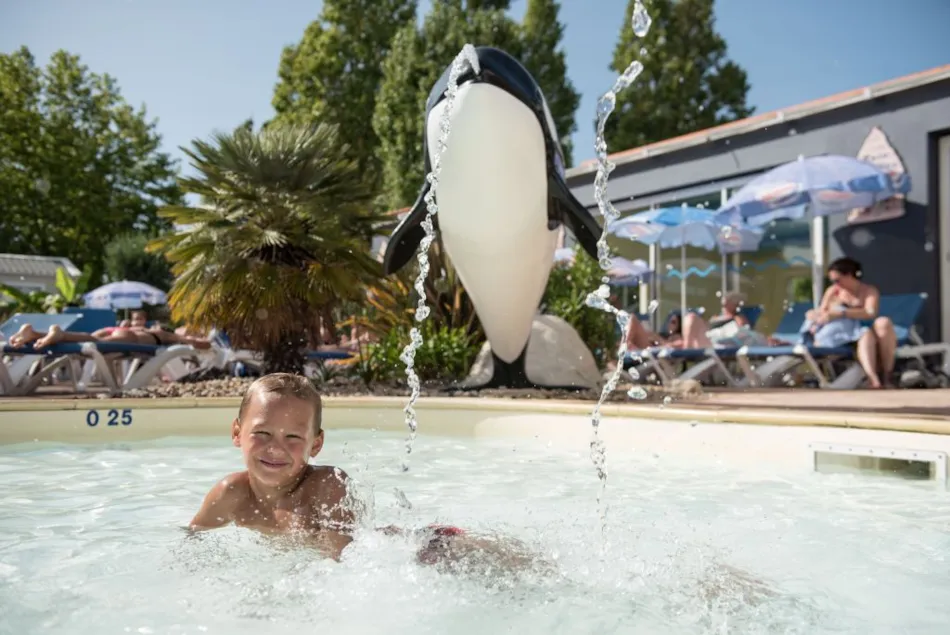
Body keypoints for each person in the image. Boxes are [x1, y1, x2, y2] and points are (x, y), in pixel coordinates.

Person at [188, 372, 534, 570]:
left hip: (424, 550)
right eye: (261, 433)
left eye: (293, 437)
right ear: (237, 433)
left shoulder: (325, 486)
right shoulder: (230, 494)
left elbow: (349, 564)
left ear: (316, 444)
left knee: (518, 569)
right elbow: (190, 541)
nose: (275, 447)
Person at [804, 257, 897, 388]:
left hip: (863, 327)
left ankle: (886, 376)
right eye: (832, 281)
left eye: (837, 280)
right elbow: (823, 312)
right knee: (865, 335)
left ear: (849, 275)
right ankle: (873, 378)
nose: (835, 284)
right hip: (843, 331)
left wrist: (842, 313)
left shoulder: (868, 291)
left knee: (882, 324)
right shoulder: (833, 291)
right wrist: (814, 314)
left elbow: (870, 313)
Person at [6, 309, 212, 350]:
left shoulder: (132, 325)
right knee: (96, 344)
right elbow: (194, 343)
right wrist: (203, 342)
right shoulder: (160, 333)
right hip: (130, 338)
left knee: (88, 337)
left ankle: (34, 333)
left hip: (110, 329)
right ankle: (58, 334)